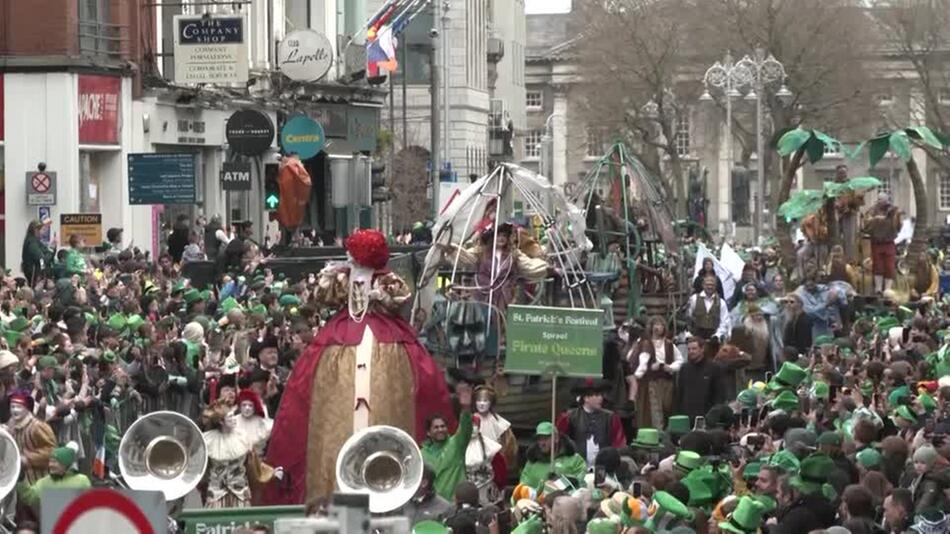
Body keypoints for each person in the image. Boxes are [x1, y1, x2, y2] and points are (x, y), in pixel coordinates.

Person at [264, 229, 454, 504]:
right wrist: (335, 276)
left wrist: (379, 295)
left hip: (380, 341)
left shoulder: (387, 279)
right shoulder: (343, 276)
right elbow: (323, 294)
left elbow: (400, 297)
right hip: (343, 341)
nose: (349, 257)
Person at [555, 378, 626, 466]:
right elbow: (560, 441)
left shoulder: (611, 417)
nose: (601, 398)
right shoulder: (570, 417)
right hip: (576, 466)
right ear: (586, 398)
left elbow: (619, 443)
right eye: (596, 395)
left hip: (603, 467)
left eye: (601, 395)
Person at [421, 387, 474, 501]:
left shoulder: (456, 443)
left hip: (456, 503)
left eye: (443, 426)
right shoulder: (422, 455)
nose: (440, 429)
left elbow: (466, 427)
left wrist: (466, 408)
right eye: (436, 427)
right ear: (428, 432)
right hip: (434, 505)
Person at [632, 316, 683, 429]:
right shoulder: (646, 344)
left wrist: (670, 367)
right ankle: (658, 434)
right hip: (652, 381)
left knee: (667, 409)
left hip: (667, 381)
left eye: (660, 325)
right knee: (655, 411)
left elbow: (680, 360)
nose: (657, 327)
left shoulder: (669, 344)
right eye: (655, 325)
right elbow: (641, 361)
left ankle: (667, 434)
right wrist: (643, 372)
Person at [14, 443, 90, 515]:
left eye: (54, 462)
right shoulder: (45, 482)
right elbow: (29, 497)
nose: (50, 465)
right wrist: (21, 478)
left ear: (65, 464)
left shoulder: (82, 480)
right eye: (50, 462)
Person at [5, 391, 55, 484]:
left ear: (27, 409)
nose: (15, 410)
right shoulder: (11, 426)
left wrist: (27, 459)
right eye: (12, 407)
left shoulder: (37, 426)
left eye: (19, 407)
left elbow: (51, 450)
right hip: (18, 480)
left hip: (38, 479)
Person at [518, 421, 586, 490]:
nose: (542, 443)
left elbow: (581, 483)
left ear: (556, 438)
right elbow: (523, 487)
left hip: (567, 498)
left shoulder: (575, 460)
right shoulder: (531, 463)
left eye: (545, 438)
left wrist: (561, 482)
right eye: (539, 439)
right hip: (538, 499)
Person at [675, 337, 724, 424]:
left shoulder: (714, 368)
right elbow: (680, 394)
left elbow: (719, 394)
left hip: (706, 416)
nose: (691, 352)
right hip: (687, 417)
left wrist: (715, 415)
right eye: (689, 349)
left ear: (702, 349)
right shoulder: (684, 368)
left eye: (694, 349)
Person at [863, 192, 901, 293]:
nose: (880, 201)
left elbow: (898, 225)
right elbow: (866, 223)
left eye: (882, 200)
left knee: (889, 266)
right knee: (878, 265)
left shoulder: (893, 210)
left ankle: (887, 289)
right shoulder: (872, 210)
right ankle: (878, 288)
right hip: (876, 241)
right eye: (879, 199)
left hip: (889, 241)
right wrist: (875, 219)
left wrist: (891, 218)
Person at [276, 153, 312, 245]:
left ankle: (287, 240)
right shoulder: (295, 166)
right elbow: (306, 182)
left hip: (286, 201)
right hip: (294, 202)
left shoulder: (288, 166)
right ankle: (293, 239)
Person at [687, 275, 731, 347]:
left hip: (713, 340)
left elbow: (724, 322)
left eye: (712, 285)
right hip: (696, 339)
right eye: (707, 284)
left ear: (715, 286)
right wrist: (689, 335)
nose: (710, 287)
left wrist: (717, 335)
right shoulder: (694, 299)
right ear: (703, 285)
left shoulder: (721, 302)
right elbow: (688, 318)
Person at [834, 164, 863, 263]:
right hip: (835, 215)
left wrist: (850, 201)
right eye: (841, 173)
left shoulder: (851, 186)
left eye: (844, 173)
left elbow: (859, 201)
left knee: (849, 239)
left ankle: (850, 261)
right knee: (836, 238)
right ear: (837, 174)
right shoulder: (833, 186)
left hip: (849, 214)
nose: (843, 175)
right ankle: (837, 260)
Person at [21, 220, 52, 284]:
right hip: (34, 274)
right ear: (36, 230)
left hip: (38, 273)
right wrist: (51, 249)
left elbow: (45, 254)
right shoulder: (32, 243)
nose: (44, 232)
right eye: (43, 230)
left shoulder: (36, 241)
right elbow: (41, 259)